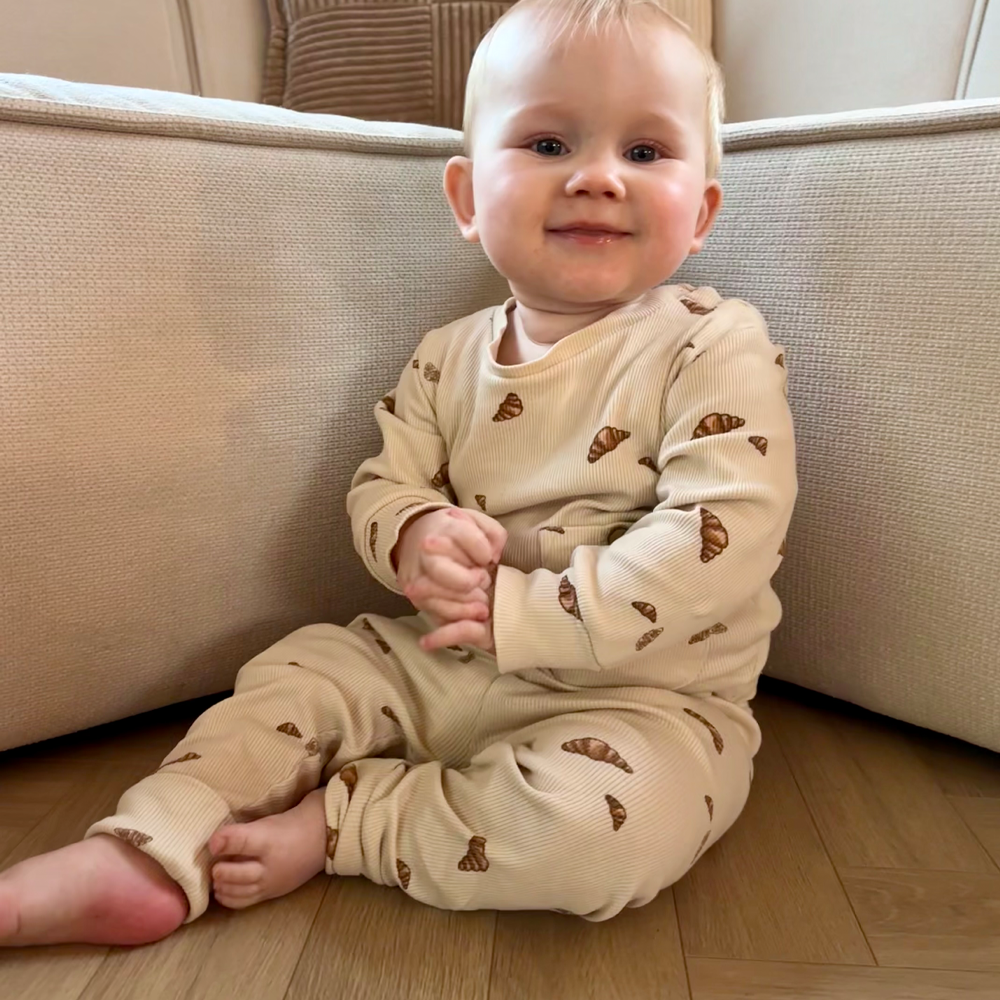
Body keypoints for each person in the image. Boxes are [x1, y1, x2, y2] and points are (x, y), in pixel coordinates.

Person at [0, 0, 796, 947]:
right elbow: (383, 486)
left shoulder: (713, 341)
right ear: (467, 198)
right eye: (548, 144)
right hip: (436, 658)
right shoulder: (443, 357)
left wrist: (527, 612)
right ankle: (149, 844)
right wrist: (414, 534)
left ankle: (354, 822)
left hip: (648, 701)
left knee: (612, 834)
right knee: (295, 677)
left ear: (701, 211)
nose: (596, 176)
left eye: (646, 151)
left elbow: (722, 534)